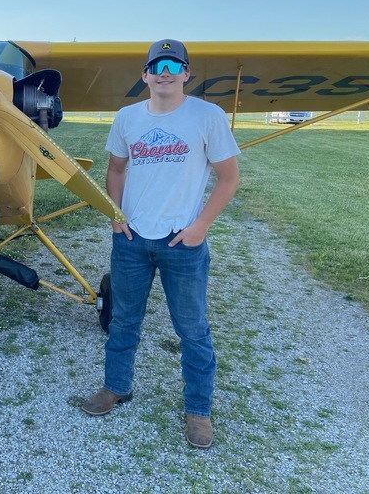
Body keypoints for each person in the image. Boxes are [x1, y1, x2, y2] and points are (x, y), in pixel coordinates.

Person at [81, 39, 240, 449]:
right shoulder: (127, 117)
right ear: (145, 75)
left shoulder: (208, 116)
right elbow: (115, 170)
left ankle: (198, 410)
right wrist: (116, 216)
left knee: (192, 330)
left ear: (186, 73)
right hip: (132, 241)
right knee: (123, 322)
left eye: (174, 64)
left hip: (182, 242)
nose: (165, 71)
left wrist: (201, 226)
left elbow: (228, 178)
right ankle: (116, 388)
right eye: (157, 64)